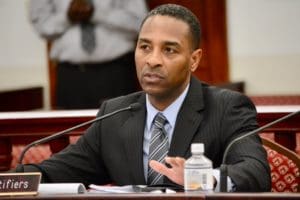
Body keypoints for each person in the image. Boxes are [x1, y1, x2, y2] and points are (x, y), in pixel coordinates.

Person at [20, 4, 271, 192]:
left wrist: (202, 178)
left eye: (169, 50)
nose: (152, 60)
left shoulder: (226, 107)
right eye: (145, 47)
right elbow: (58, 169)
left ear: (194, 60)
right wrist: (11, 179)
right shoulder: (114, 114)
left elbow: (256, 172)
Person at [29, 0, 148, 109]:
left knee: (120, 129)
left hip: (116, 72)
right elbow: (40, 23)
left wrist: (96, 13)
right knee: (71, 129)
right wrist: (67, 17)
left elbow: (140, 22)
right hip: (70, 76)